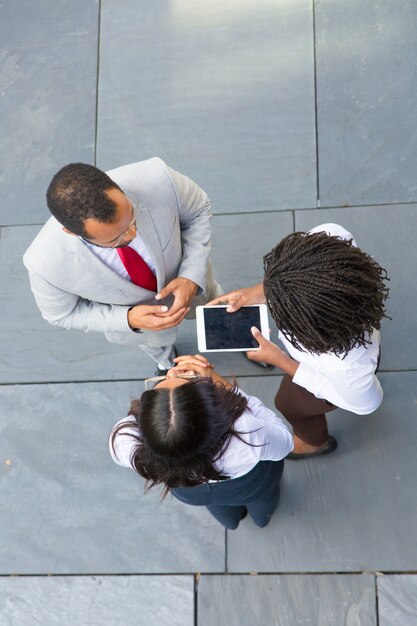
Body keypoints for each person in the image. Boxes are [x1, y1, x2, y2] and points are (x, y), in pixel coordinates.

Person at [209, 223, 390, 459]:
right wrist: (265, 289)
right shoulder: (332, 236)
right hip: (353, 348)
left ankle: (315, 443)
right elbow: (309, 271)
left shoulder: (348, 370)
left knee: (288, 404)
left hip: (327, 376)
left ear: (314, 326)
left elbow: (367, 403)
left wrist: (282, 360)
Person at [23, 158, 222, 373]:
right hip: (141, 329)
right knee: (155, 345)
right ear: (72, 233)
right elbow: (61, 314)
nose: (132, 233)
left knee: (218, 309)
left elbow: (199, 211)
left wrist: (191, 275)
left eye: (132, 217)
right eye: (115, 239)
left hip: (197, 289)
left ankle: (231, 334)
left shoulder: (159, 178)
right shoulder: (44, 264)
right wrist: (127, 319)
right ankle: (165, 362)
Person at [109, 354, 293, 529]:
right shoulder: (245, 430)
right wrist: (222, 384)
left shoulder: (124, 439)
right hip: (250, 484)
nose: (172, 373)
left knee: (218, 506)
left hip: (189, 491)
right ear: (213, 410)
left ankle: (231, 522)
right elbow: (285, 443)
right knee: (262, 501)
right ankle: (263, 520)